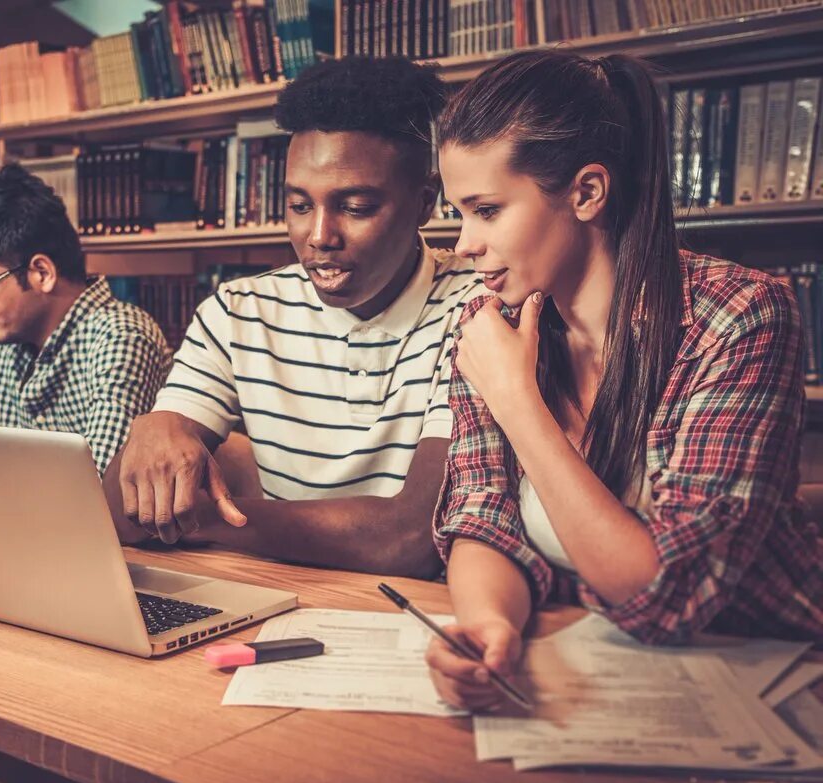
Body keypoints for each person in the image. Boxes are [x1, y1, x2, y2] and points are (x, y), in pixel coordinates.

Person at [427, 50, 823, 710]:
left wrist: (519, 402)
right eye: (458, 212)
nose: (463, 243)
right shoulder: (489, 327)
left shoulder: (741, 317)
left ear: (586, 193)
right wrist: (489, 624)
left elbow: (666, 599)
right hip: (597, 672)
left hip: (766, 677)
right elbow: (483, 517)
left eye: (487, 210)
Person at [106, 57, 484, 578]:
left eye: (354, 206)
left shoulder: (476, 309)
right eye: (300, 205)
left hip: (426, 619)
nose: (319, 236)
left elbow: (412, 537)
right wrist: (157, 427)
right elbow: (122, 512)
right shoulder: (237, 313)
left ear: (423, 202)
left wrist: (194, 518)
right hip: (280, 594)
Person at [0, 162, 170, 475]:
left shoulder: (122, 337)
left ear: (42, 273)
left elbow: (95, 489)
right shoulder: (13, 342)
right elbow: (14, 471)